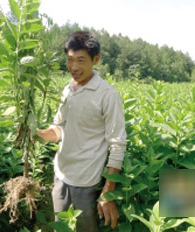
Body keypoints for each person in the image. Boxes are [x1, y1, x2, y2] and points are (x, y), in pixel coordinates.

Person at [35, 31, 127, 232]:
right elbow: (59, 129)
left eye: (81, 60)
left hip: (87, 183)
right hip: (60, 175)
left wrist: (107, 193)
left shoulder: (107, 95)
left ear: (96, 59)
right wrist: (36, 134)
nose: (74, 67)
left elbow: (117, 144)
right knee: (61, 227)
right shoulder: (68, 89)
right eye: (69, 60)